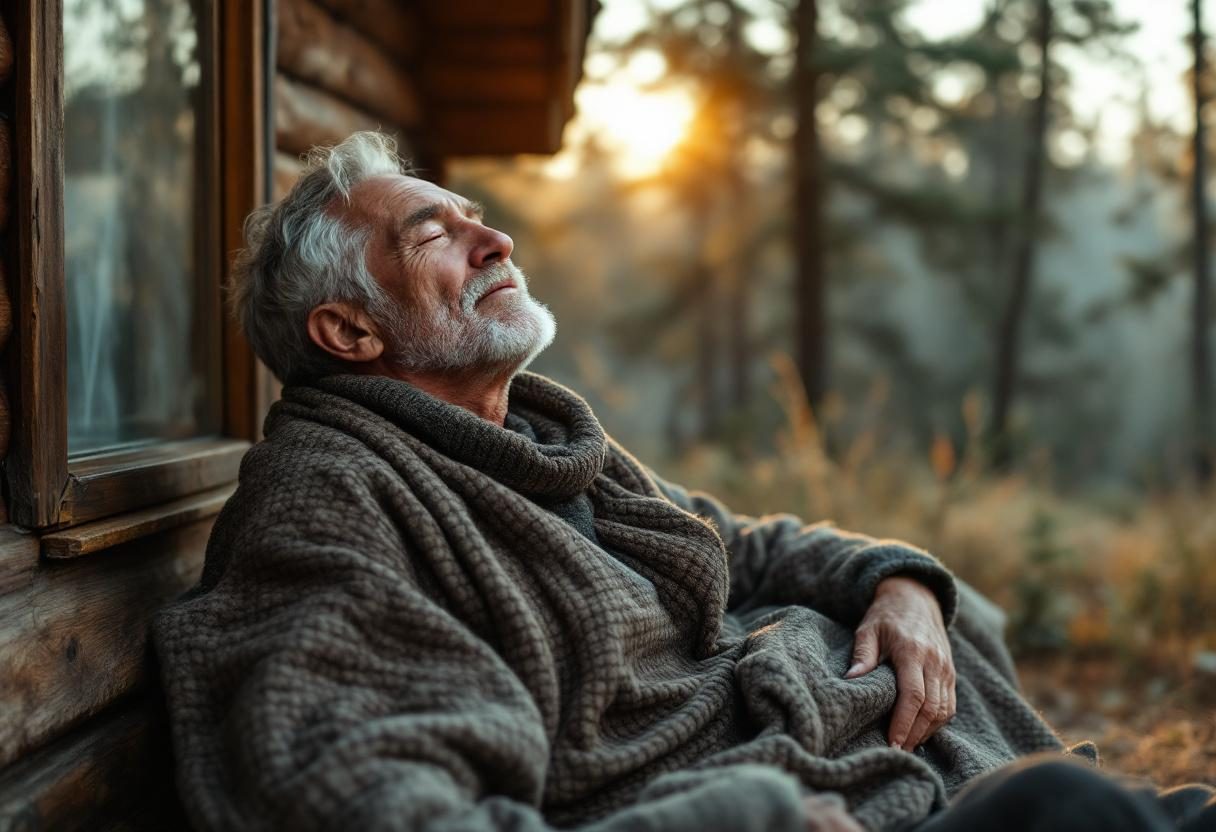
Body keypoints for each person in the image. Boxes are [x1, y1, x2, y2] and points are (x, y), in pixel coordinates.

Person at [152, 132, 1215, 832]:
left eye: (475, 213)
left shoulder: (531, 432)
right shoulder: (330, 502)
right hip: (833, 810)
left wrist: (900, 583)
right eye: (435, 233)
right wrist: (741, 815)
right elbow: (372, 806)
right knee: (1067, 812)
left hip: (886, 761)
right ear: (348, 329)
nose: (494, 236)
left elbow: (734, 539)